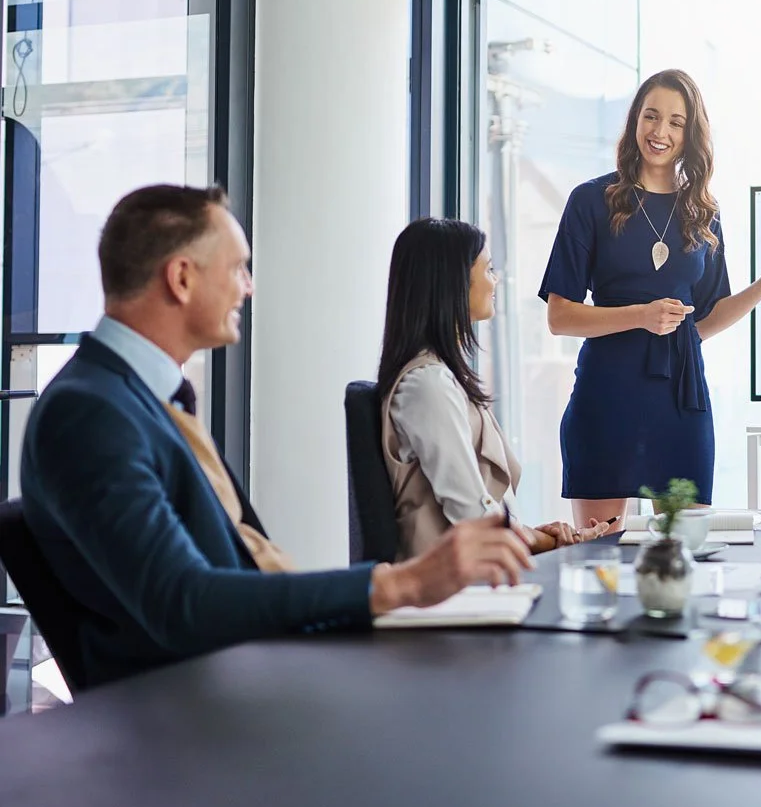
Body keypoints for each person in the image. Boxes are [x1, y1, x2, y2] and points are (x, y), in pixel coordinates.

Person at [20, 185, 534, 689]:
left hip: (245, 669)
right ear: (181, 278)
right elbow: (182, 603)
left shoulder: (146, 397)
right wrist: (402, 583)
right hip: (190, 708)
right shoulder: (90, 413)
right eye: (238, 268)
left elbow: (230, 564)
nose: (249, 286)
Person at [539, 69, 761, 528]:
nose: (659, 132)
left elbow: (702, 321)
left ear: (690, 135)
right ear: (635, 122)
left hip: (682, 401)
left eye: (675, 122)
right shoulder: (590, 201)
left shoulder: (701, 212)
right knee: (600, 556)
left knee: (685, 552)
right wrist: (641, 316)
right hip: (607, 396)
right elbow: (560, 317)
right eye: (651, 116)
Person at [376, 217, 607, 558]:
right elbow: (472, 516)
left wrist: (535, 534)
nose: (496, 280)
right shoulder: (427, 386)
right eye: (488, 270)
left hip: (475, 578)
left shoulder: (442, 379)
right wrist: (548, 541)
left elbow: (482, 511)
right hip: (450, 591)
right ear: (452, 282)